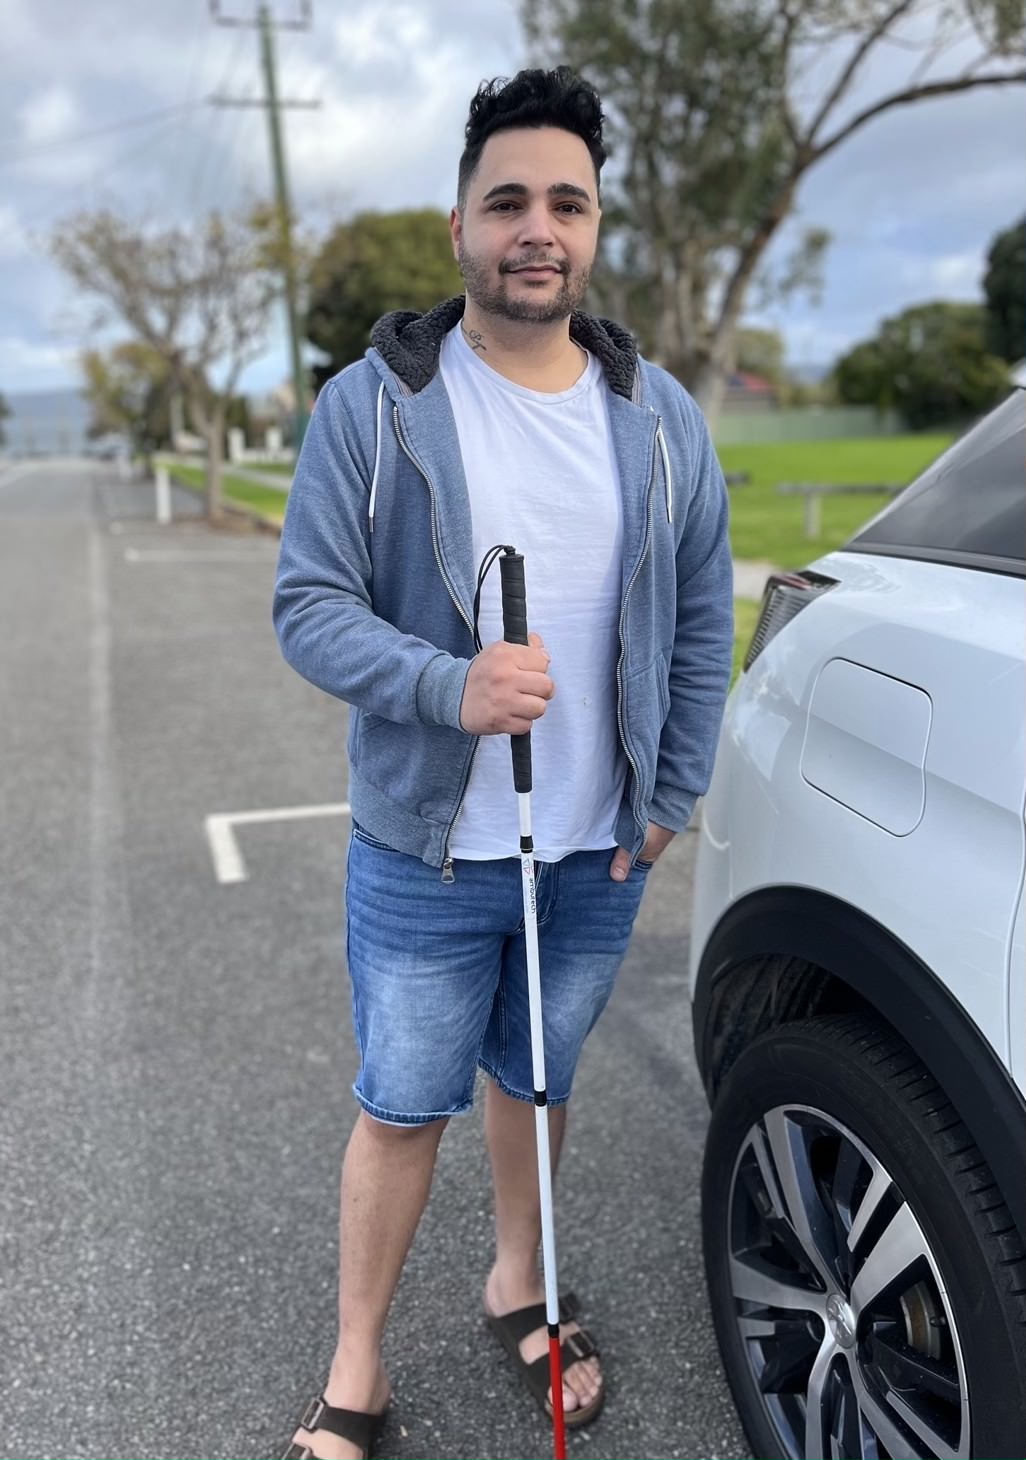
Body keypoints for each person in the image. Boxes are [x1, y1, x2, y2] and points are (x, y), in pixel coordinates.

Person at [272, 65, 733, 1460]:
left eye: (566, 204)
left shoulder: (658, 416)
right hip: (427, 851)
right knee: (402, 1105)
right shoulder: (376, 403)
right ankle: (356, 1370)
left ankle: (516, 1284)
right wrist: (446, 686)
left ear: (594, 230)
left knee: (537, 1083)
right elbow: (307, 604)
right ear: (460, 225)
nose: (537, 229)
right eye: (507, 202)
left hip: (594, 849)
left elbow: (704, 612)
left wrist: (670, 794)